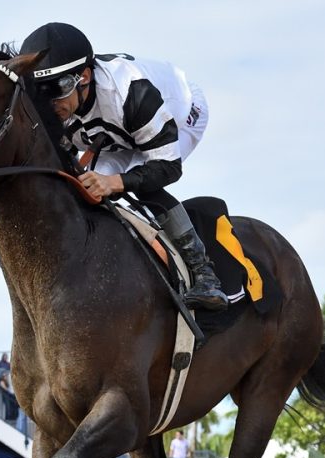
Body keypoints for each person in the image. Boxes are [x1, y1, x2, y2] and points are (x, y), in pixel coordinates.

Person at [21, 23, 227, 311]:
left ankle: (205, 274)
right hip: (115, 132)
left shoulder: (131, 92)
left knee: (141, 184)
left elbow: (167, 167)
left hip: (180, 114)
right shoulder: (57, 104)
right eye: (40, 91)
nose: (50, 102)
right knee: (86, 187)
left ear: (85, 77)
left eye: (58, 89)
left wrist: (117, 182)